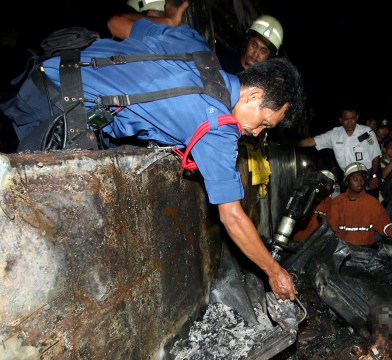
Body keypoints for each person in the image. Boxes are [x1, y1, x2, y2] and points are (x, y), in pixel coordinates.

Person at [0, 2, 304, 301]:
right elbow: (232, 216)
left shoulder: (192, 42)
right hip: (54, 111)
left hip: (42, 73)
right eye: (264, 123)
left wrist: (167, 19)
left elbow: (116, 22)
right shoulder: (217, 127)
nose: (258, 133)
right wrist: (274, 270)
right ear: (254, 95)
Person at [298, 105, 381, 195]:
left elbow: (375, 155)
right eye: (346, 119)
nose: (350, 122)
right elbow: (312, 141)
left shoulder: (367, 132)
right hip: (347, 177)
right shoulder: (334, 134)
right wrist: (291, 144)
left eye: (352, 118)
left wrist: (374, 176)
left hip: (366, 175)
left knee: (369, 205)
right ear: (341, 120)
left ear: (357, 117)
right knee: (346, 205)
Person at [327, 162, 392, 246]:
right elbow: (331, 230)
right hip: (343, 252)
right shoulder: (337, 202)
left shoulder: (372, 203)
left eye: (362, 179)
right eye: (355, 179)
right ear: (347, 181)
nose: (359, 182)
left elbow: (383, 226)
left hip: (365, 251)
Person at [218, 15, 284, 74]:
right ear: (248, 40)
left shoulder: (263, 85)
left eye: (263, 51)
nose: (255, 54)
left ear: (269, 56)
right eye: (254, 44)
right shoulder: (222, 63)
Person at [291, 170, 336, 241]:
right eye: (324, 183)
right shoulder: (304, 196)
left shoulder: (332, 204)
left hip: (315, 246)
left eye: (329, 184)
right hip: (298, 242)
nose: (326, 186)